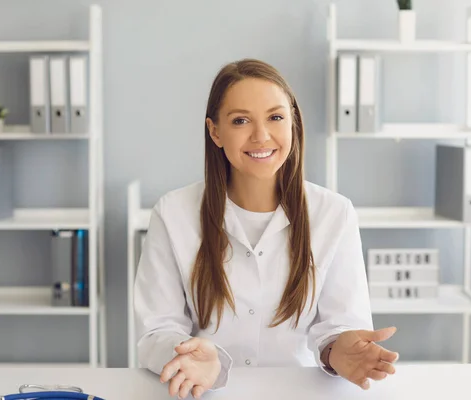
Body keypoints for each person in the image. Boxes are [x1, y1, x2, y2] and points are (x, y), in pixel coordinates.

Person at [133, 58, 400, 399]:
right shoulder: (173, 214)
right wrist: (186, 355)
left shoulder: (335, 213)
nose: (261, 136)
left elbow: (340, 324)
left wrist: (340, 350)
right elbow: (157, 330)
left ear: (293, 124)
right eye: (241, 120)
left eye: (275, 117)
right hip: (204, 392)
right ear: (215, 132)